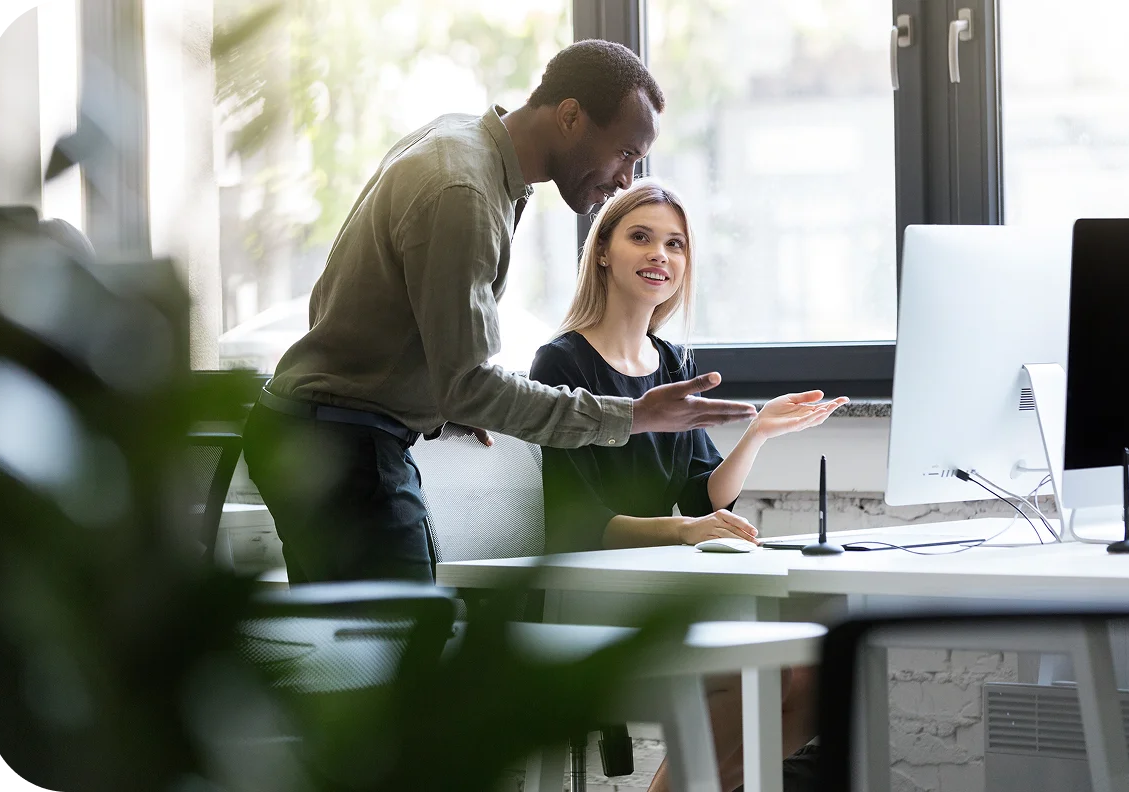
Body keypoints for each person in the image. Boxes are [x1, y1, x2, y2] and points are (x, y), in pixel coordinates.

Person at [241, 40, 756, 585]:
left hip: (332, 431)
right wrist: (634, 416)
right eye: (625, 153)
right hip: (337, 442)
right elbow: (470, 383)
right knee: (396, 647)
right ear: (571, 117)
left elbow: (349, 303)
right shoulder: (463, 189)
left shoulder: (464, 148)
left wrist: (446, 389)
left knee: (378, 649)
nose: (627, 179)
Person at [528, 178, 845, 792]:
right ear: (602, 252)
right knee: (769, 672)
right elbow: (579, 524)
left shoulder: (671, 363)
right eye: (641, 237)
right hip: (588, 590)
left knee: (812, 673)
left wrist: (755, 433)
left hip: (658, 582)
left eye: (675, 244)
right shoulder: (561, 364)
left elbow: (707, 495)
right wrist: (684, 531)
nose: (661, 256)